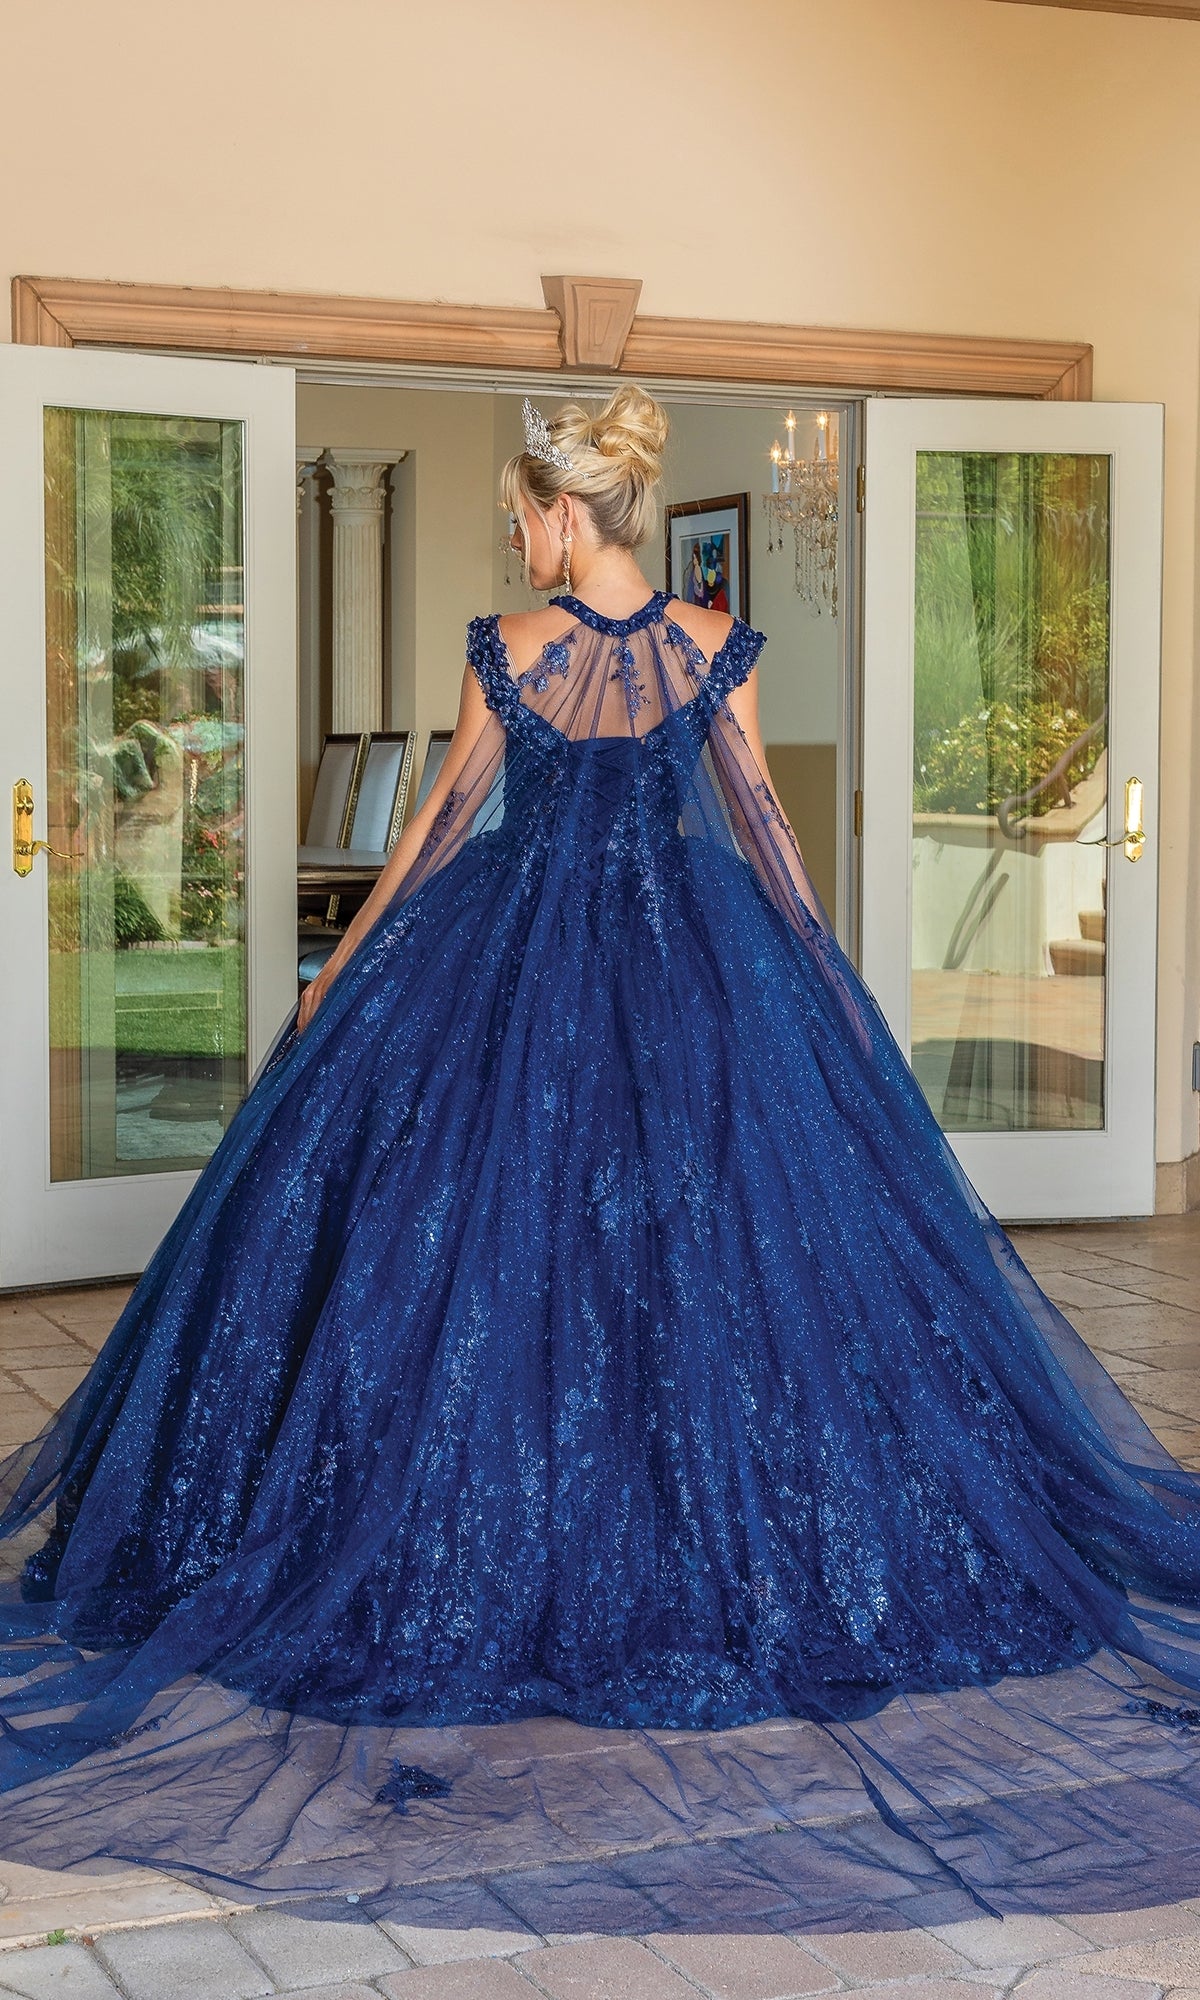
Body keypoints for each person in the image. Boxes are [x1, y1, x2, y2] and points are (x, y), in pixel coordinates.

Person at [2, 385, 1200, 1915]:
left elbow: (437, 827)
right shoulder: (715, 647)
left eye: (524, 513)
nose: (518, 534)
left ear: (568, 513)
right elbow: (765, 837)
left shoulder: (513, 646)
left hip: (502, 967)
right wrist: (824, 988)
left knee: (479, 1257)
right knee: (687, 1258)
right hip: (691, 969)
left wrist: (336, 976)